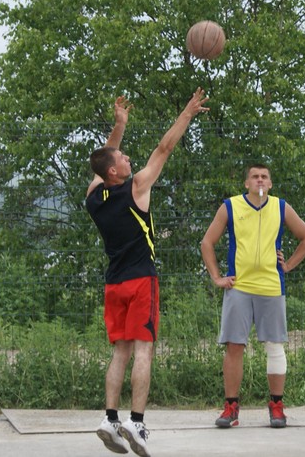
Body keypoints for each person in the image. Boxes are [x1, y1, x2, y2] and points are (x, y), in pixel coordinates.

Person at [87, 89, 210, 457]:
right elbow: (164, 148)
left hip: (114, 284)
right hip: (142, 280)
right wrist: (187, 112)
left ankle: (110, 419)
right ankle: (136, 423)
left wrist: (119, 127)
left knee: (120, 354)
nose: (127, 157)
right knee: (144, 351)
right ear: (116, 172)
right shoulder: (136, 187)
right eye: (123, 157)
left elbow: (101, 163)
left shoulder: (95, 197)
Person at [200, 163, 305, 429]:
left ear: (271, 183)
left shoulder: (280, 206)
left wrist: (288, 265)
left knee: (274, 346)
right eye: (255, 176)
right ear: (247, 183)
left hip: (271, 287)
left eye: (264, 176)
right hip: (238, 287)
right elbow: (207, 243)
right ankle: (231, 407)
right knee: (234, 346)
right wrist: (217, 277)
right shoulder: (230, 206)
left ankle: (277, 407)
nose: (260, 180)